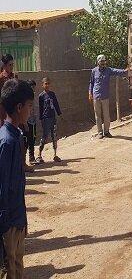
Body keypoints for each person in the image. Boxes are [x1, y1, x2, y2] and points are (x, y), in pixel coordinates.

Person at [0, 79, 34, 279]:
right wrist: (5, 225)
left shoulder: (16, 136)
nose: (31, 111)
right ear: (19, 107)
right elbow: (3, 187)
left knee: (17, 266)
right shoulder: (6, 141)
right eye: (29, 106)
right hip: (8, 223)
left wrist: (23, 221)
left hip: (17, 219)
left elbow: (18, 184)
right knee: (9, 269)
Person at [89, 55, 127, 139]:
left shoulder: (108, 70)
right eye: (102, 61)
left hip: (105, 97)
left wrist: (125, 71)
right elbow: (91, 83)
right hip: (96, 96)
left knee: (106, 116)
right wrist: (90, 93)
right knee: (97, 116)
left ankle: (106, 131)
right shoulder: (94, 71)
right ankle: (99, 132)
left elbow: (117, 71)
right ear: (98, 62)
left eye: (104, 61)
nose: (103, 63)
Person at [36, 77, 62, 164]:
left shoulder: (52, 94)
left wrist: (59, 114)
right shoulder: (41, 96)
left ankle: (55, 155)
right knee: (44, 136)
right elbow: (40, 108)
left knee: (54, 136)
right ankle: (39, 155)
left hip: (53, 117)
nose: (47, 85)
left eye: (48, 83)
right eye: (45, 84)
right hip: (45, 118)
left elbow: (56, 104)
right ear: (42, 85)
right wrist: (41, 118)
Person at [23, 80, 37, 171]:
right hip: (26, 121)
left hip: (33, 121)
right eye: (32, 87)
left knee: (33, 139)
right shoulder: (24, 98)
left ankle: (32, 157)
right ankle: (24, 161)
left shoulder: (33, 97)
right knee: (26, 141)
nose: (33, 89)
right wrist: (24, 123)